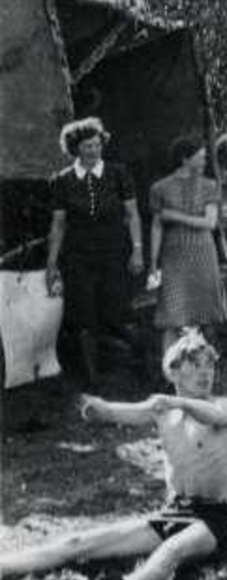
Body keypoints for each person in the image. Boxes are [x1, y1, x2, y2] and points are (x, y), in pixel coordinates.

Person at [0, 332, 227, 580]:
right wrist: (98, 408)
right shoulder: (162, 411)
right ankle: (6, 564)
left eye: (209, 366)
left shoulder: (222, 404)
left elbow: (217, 416)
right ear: (174, 371)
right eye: (196, 365)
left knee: (171, 551)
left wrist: (179, 403)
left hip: (211, 520)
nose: (205, 372)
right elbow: (121, 411)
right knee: (76, 543)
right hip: (173, 512)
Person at [46, 117, 144, 386]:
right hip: (78, 257)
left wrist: (137, 251)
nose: (93, 150)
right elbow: (59, 224)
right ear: (75, 148)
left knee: (118, 310)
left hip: (114, 253)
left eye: (97, 144)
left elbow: (132, 215)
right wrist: (52, 264)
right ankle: (92, 379)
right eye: (87, 146)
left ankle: (137, 370)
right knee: (83, 315)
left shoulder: (118, 173)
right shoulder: (62, 181)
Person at [149, 136, 227, 352]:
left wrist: (174, 215)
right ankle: (170, 369)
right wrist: (153, 261)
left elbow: (210, 223)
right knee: (172, 314)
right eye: (200, 157)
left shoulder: (210, 186)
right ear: (185, 159)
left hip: (203, 252)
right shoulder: (159, 188)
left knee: (205, 314)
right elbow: (156, 227)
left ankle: (203, 364)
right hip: (173, 254)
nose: (204, 161)